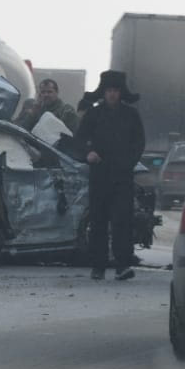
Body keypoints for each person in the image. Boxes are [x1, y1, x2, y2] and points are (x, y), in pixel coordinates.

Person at [74, 70, 146, 281]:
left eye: (116, 90)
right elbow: (79, 140)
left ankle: (122, 265)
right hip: (99, 176)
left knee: (122, 221)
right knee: (98, 222)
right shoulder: (94, 115)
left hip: (123, 177)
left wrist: (128, 162)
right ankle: (98, 265)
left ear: (121, 92)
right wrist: (88, 153)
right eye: (109, 91)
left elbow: (139, 143)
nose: (112, 94)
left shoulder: (131, 115)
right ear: (103, 92)